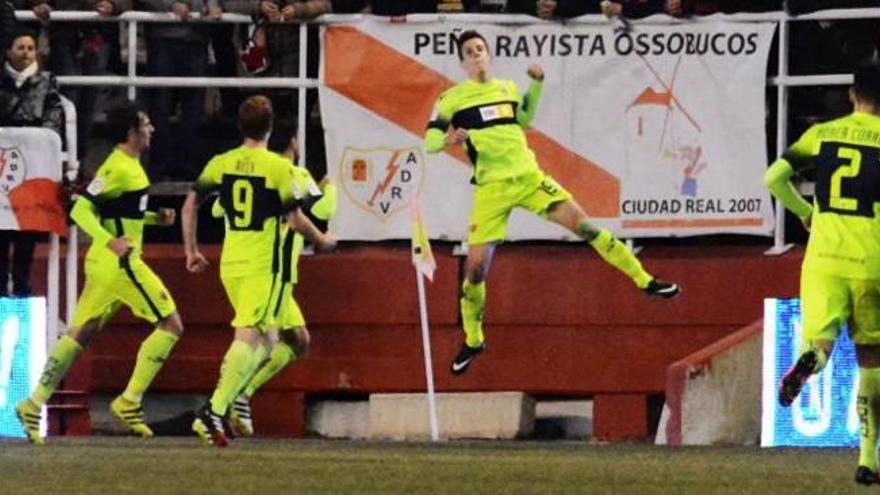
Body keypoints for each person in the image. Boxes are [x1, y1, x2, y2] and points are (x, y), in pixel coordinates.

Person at [424, 31, 680, 376]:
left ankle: (646, 281)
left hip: (530, 179)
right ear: (463, 62)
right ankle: (473, 339)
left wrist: (537, 85)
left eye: (480, 49)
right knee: (474, 270)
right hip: (490, 190)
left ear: (488, 55)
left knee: (586, 226)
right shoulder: (451, 98)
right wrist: (446, 139)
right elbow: (429, 141)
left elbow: (524, 120)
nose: (476, 55)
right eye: (469, 52)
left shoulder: (508, 89)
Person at [15, 103, 183, 444]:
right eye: (147, 124)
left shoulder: (128, 167)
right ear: (132, 132)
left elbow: (114, 212)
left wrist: (153, 219)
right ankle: (129, 400)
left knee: (81, 333)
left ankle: (33, 403)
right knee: (171, 324)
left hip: (105, 265)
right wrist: (110, 243)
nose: (152, 129)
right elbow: (80, 208)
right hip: (120, 264)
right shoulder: (117, 168)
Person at [181, 95, 334, 447]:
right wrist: (323, 240)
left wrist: (191, 251)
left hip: (230, 261)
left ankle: (229, 401)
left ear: (240, 125)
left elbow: (190, 203)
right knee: (250, 336)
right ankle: (214, 408)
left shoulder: (222, 162)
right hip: (261, 265)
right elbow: (295, 220)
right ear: (270, 127)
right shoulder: (277, 168)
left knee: (267, 340)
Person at [768, 63, 880, 487]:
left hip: (824, 259)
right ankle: (868, 458)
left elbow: (774, 178)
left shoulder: (823, 133)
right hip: (872, 259)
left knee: (821, 343)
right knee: (872, 359)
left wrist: (804, 212)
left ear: (853, 95)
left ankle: (810, 361)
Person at [213, 132, 336, 437]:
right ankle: (225, 398)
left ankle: (238, 393)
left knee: (297, 340)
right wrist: (330, 187)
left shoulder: (242, 171)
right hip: (272, 271)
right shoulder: (294, 173)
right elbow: (324, 210)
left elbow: (217, 209)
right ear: (293, 143)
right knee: (261, 340)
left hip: (238, 264)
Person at [0, 30, 64, 296]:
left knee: (27, 229)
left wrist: (34, 136)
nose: (26, 52)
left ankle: (23, 285)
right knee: (1, 229)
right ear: (8, 52)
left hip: (33, 165)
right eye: (20, 47)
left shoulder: (47, 80)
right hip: (4, 164)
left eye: (30, 47)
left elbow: (53, 115)